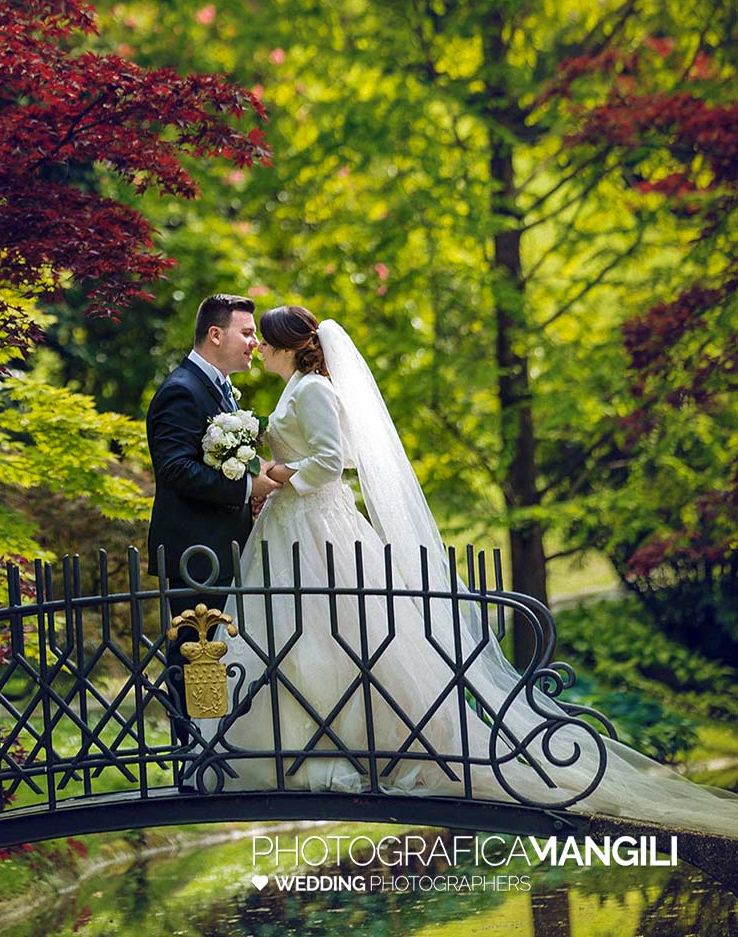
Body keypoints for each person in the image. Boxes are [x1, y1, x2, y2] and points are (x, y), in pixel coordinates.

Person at [201, 303, 738, 838]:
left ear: (287, 345)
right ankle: (289, 750)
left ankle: (343, 751)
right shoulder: (297, 385)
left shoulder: (314, 388)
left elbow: (331, 460)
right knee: (300, 638)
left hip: (313, 527)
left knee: (331, 636)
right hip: (291, 525)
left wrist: (274, 473)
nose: (258, 349)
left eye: (264, 340)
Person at [145, 293, 281, 785]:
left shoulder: (219, 390)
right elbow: (175, 469)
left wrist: (250, 493)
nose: (255, 343)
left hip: (221, 547)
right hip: (193, 553)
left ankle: (211, 754)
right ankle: (193, 765)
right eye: (247, 333)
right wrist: (247, 485)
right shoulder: (182, 390)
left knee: (216, 656)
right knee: (193, 656)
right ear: (216, 334)